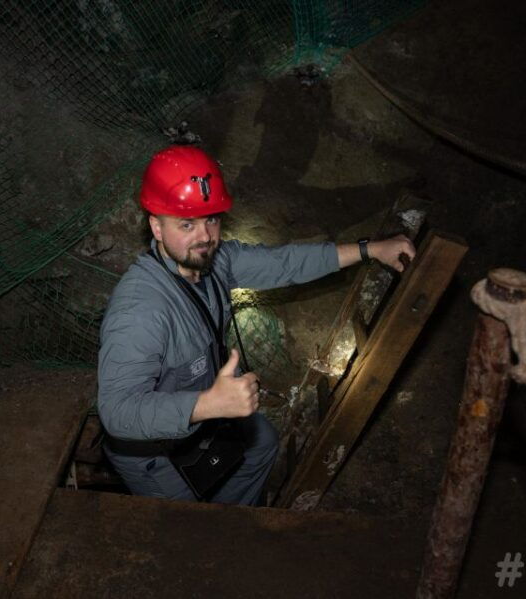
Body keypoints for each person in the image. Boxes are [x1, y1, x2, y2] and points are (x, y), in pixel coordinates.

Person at [97, 146, 415, 505]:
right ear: (156, 225)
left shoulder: (212, 262)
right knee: (187, 528)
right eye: (186, 224)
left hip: (200, 417)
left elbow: (284, 263)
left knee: (263, 442)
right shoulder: (141, 312)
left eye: (211, 219)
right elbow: (118, 412)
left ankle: (231, 518)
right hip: (151, 451)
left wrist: (369, 249)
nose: (204, 236)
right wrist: (208, 404)